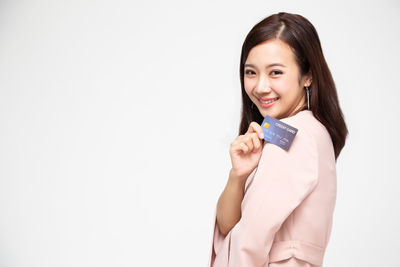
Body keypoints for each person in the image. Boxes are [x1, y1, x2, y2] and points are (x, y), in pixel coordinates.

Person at [208, 12, 348, 267]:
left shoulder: (294, 135)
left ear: (308, 75)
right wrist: (238, 176)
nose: (260, 86)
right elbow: (230, 227)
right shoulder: (294, 131)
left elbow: (248, 241)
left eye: (275, 72)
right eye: (251, 72)